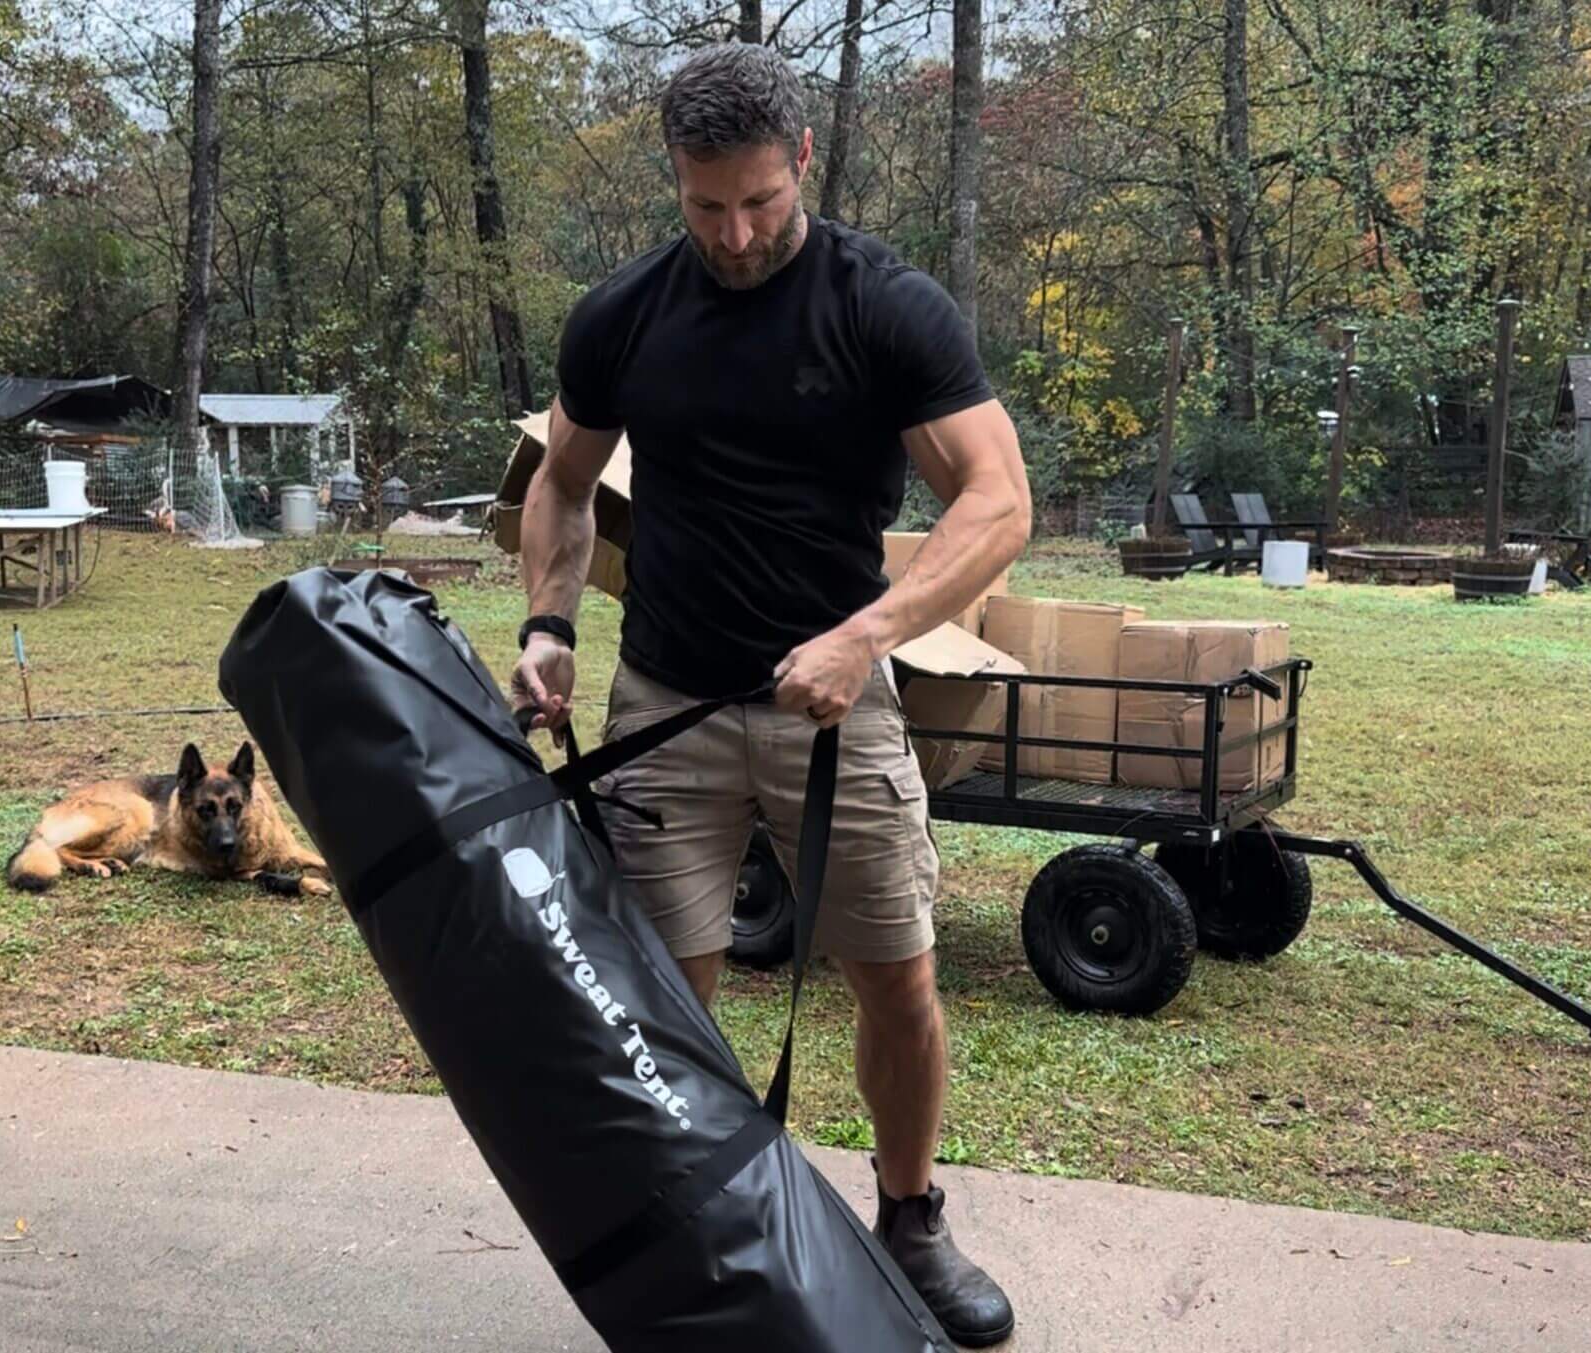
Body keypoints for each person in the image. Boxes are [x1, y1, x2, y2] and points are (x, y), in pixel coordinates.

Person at [510, 42, 1031, 1349]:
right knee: (665, 1013)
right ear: (672, 183)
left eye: (758, 201)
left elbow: (998, 497)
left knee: (898, 980)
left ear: (802, 161)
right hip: (665, 708)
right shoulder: (624, 317)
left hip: (837, 707)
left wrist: (869, 633)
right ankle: (702, 1245)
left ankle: (909, 1216)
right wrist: (548, 623)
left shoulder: (882, 307)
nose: (736, 234)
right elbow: (564, 484)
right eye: (705, 207)